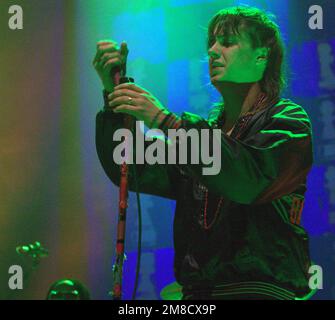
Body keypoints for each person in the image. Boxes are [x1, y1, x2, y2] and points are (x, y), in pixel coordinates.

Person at [93, 6, 314, 300]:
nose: (212, 51)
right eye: (211, 42)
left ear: (262, 56)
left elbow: (250, 179)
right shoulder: (203, 137)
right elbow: (135, 165)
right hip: (197, 295)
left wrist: (167, 122)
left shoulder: (288, 122)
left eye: (227, 42)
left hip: (257, 292)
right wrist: (114, 92)